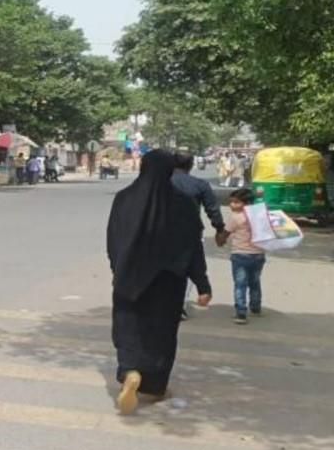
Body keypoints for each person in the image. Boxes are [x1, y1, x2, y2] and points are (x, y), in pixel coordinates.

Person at [107, 150, 212, 415]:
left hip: (129, 276)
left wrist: (117, 268)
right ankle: (154, 385)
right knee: (161, 333)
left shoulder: (124, 198)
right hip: (169, 280)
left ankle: (130, 369)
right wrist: (202, 284)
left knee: (128, 325)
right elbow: (193, 247)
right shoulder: (184, 204)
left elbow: (113, 239)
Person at [171, 151, 228, 321]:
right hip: (190, 233)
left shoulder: (159, 183)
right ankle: (178, 305)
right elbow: (212, 209)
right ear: (191, 165)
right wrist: (219, 229)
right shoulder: (199, 185)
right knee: (189, 267)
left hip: (160, 233)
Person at [221, 188, 267, 324]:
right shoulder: (260, 216)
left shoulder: (236, 217)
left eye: (236, 202)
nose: (232, 205)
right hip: (258, 254)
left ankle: (241, 312)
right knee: (255, 282)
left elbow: (225, 233)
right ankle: (255, 307)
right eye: (231, 202)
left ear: (246, 203)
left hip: (240, 254)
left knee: (240, 284)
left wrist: (220, 240)